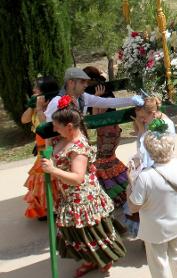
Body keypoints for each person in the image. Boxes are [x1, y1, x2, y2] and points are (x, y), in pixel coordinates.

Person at [41, 96, 126, 277]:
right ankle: (91, 260)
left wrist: (52, 170)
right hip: (69, 196)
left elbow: (78, 178)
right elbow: (49, 141)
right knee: (77, 234)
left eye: (57, 125)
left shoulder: (78, 147)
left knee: (88, 234)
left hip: (82, 200)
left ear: (70, 127)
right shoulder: (63, 137)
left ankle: (102, 259)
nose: (53, 128)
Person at [127, 129, 177, 278]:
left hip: (154, 229)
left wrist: (130, 182)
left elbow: (134, 206)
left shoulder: (145, 177)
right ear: (171, 147)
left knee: (158, 263)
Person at [125, 97, 176, 238]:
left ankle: (156, 235)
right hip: (151, 167)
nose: (141, 120)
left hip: (157, 169)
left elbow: (149, 150)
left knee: (153, 206)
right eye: (138, 117)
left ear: (153, 113)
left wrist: (141, 131)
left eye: (142, 117)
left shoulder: (165, 126)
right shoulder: (152, 121)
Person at [83, 67, 129, 209]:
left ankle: (121, 192)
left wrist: (97, 99)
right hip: (108, 131)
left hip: (108, 132)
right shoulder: (102, 91)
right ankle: (124, 189)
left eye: (85, 80)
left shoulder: (102, 93)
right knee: (108, 161)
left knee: (104, 162)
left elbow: (98, 117)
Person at [22, 76, 59, 220]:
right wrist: (33, 106)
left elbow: (46, 126)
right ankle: (45, 209)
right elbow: (24, 119)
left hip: (49, 148)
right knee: (41, 180)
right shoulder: (35, 105)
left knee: (48, 180)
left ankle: (52, 208)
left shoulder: (52, 105)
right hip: (40, 149)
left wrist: (39, 109)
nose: (33, 90)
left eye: (36, 88)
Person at [45, 67, 142, 121]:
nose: (86, 85)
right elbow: (50, 130)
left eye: (87, 82)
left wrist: (132, 100)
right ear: (71, 83)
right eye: (82, 82)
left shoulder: (83, 97)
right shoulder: (56, 102)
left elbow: (109, 102)